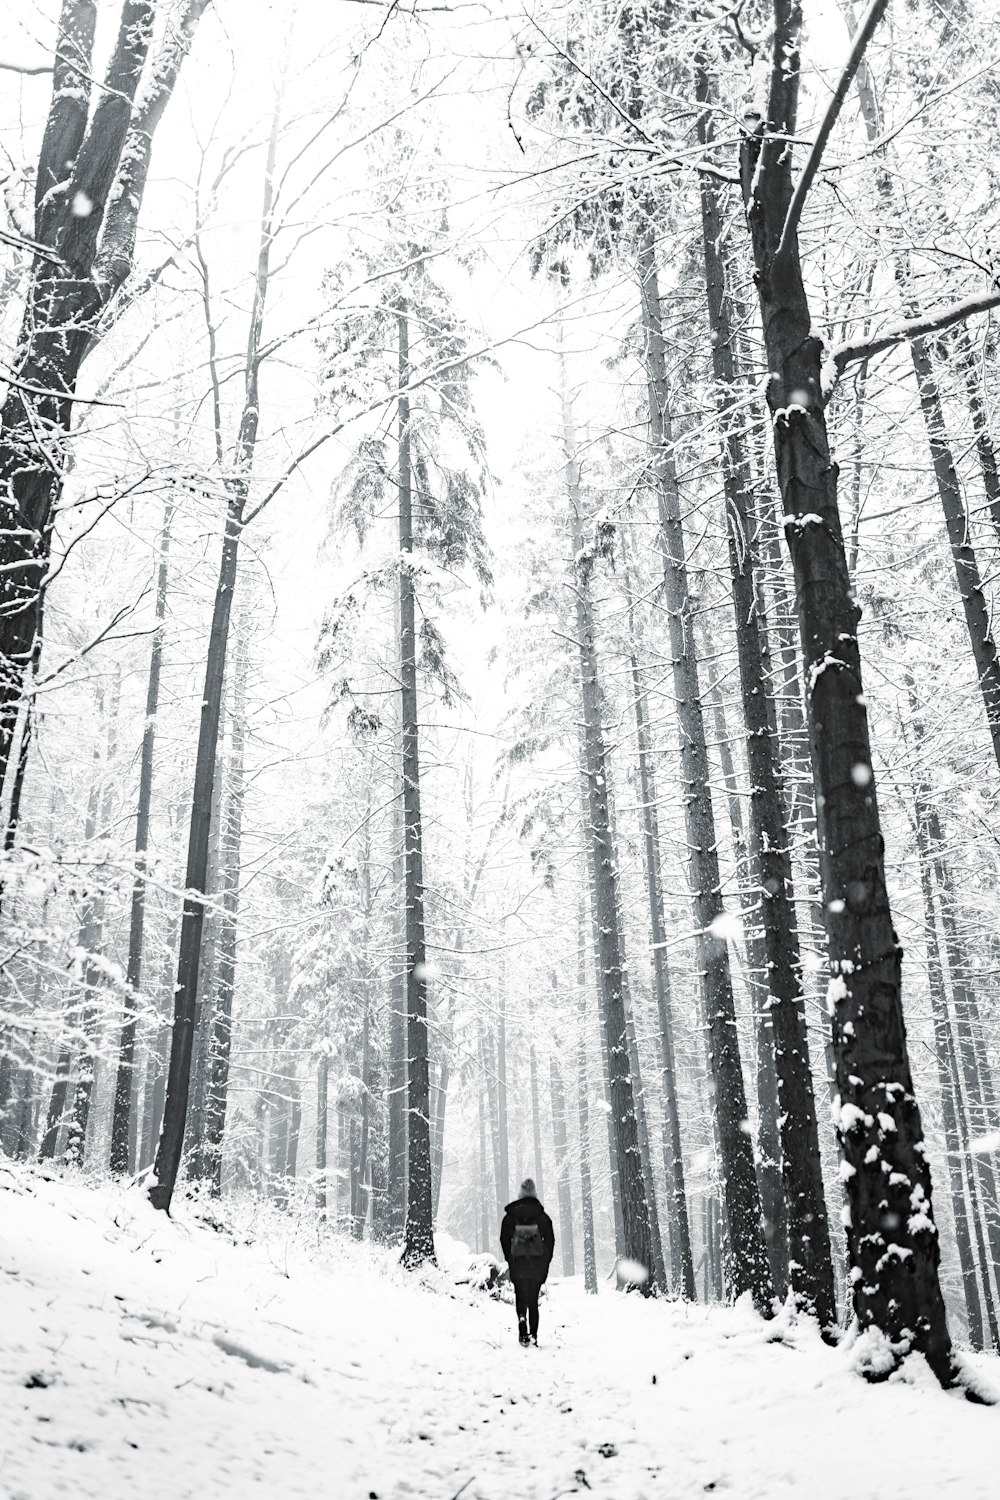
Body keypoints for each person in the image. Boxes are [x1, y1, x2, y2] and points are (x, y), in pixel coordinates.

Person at [500, 1177, 555, 1347]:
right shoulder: (542, 1216)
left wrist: (510, 1258)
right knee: (533, 1301)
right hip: (537, 1265)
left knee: (521, 1297)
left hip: (517, 1263)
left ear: (520, 1194)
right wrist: (545, 1260)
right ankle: (534, 1336)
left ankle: (522, 1326)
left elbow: (503, 1239)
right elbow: (550, 1241)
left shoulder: (510, 1217)